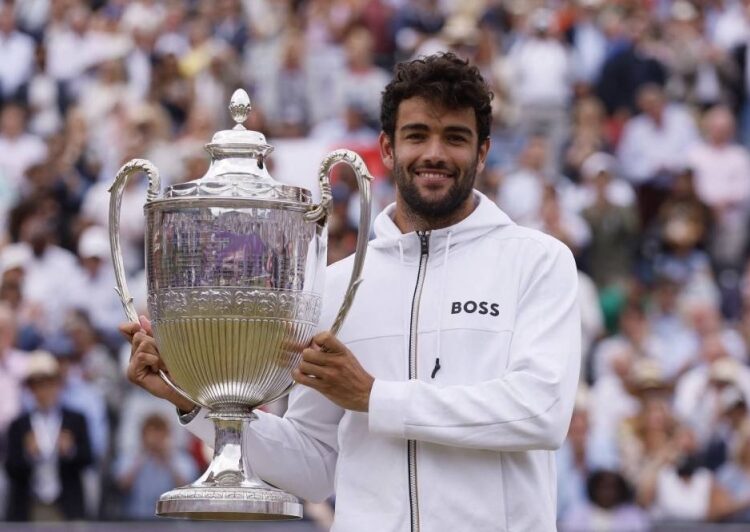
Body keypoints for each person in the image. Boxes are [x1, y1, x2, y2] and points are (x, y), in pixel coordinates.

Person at [121, 52, 581, 531]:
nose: (435, 154)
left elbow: (541, 413)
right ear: (385, 148)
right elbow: (314, 467)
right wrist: (195, 399)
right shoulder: (337, 285)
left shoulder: (537, 262)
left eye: (456, 138)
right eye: (417, 134)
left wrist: (375, 398)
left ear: (483, 152)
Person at [4, 350, 92, 521]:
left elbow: (88, 458)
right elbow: (10, 467)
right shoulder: (18, 425)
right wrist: (27, 454)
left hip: (67, 505)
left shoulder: (75, 420)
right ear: (30, 388)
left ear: (58, 384)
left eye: (48, 383)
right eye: (37, 384)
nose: (44, 390)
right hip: (30, 506)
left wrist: (70, 450)